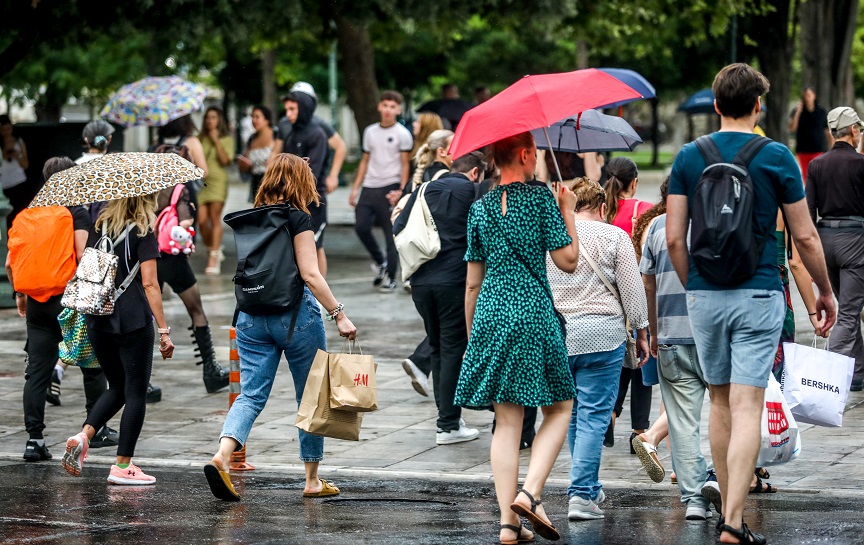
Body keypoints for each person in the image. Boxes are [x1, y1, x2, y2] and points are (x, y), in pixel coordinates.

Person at [667, 63, 835, 544]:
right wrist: (824, 291)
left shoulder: (687, 158)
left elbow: (676, 238)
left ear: (716, 106)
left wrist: (694, 284)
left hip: (704, 293)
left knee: (719, 402)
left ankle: (728, 510)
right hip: (759, 291)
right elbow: (803, 234)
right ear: (758, 106)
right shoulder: (777, 157)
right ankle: (734, 521)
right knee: (748, 404)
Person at [203, 154, 357, 502]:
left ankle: (223, 455)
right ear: (302, 182)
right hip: (296, 317)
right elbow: (310, 274)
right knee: (311, 396)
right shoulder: (297, 218)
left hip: (251, 316)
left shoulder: (248, 219)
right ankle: (312, 479)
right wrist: (339, 314)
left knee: (251, 394)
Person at [456, 132, 580, 544]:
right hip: (531, 312)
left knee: (506, 422)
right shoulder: (542, 198)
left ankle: (509, 525)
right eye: (536, 154)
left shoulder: (480, 208)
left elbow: (472, 283)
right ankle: (530, 493)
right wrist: (569, 212)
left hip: (491, 312)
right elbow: (569, 261)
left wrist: (475, 336)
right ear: (525, 155)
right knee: (559, 407)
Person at [546, 177, 649, 520]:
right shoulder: (615, 236)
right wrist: (643, 331)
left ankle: (587, 487)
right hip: (602, 337)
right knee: (593, 416)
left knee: (573, 415)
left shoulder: (552, 238)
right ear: (603, 207)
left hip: (559, 335)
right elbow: (634, 293)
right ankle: (580, 494)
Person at [5, 157, 116, 461]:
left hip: (37, 302)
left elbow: (10, 262)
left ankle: (34, 439)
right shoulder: (75, 211)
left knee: (37, 371)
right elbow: (81, 256)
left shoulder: (29, 212)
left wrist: (20, 294)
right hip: (68, 300)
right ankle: (98, 427)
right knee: (91, 364)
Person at [61, 192, 176, 485]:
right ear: (146, 200)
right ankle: (123, 466)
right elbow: (150, 283)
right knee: (136, 392)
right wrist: (163, 330)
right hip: (132, 321)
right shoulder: (143, 232)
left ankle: (83, 435)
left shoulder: (100, 226)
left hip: (97, 319)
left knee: (118, 386)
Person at [393, 151, 486, 445]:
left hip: (421, 281)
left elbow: (398, 226)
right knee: (451, 348)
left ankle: (448, 419)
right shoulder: (472, 192)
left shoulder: (423, 189)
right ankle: (448, 424)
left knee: (436, 348)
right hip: (455, 281)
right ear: (474, 173)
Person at [639, 187, 717, 521]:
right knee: (728, 411)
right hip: (713, 335)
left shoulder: (656, 227)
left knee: (683, 423)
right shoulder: (717, 222)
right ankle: (718, 477)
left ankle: (694, 500)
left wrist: (654, 331)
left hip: (670, 335)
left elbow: (647, 284)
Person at [153, 160, 230, 394]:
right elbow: (185, 224)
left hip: (148, 259)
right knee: (196, 309)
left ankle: (140, 379)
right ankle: (210, 371)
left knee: (146, 317)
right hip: (174, 260)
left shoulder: (147, 191)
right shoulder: (180, 189)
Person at [806, 106, 864, 391]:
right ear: (853, 130)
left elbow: (809, 211)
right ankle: (830, 383)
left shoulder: (816, 165)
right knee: (850, 313)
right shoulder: (860, 164)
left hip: (825, 241)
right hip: (855, 241)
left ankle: (858, 373)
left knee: (849, 307)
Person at [602, 156, 654, 451]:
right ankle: (639, 431)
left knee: (620, 363)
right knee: (642, 364)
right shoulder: (643, 212)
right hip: (638, 295)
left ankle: (610, 413)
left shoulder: (599, 213)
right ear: (634, 182)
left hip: (609, 300)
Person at [349, 90, 414, 292]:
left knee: (390, 235)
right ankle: (381, 262)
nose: (388, 110)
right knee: (361, 226)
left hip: (390, 186)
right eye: (385, 105)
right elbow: (365, 160)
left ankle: (391, 278)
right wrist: (355, 188)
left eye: (392, 106)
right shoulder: (370, 132)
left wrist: (402, 191)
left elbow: (405, 165)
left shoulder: (403, 134)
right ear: (379, 106)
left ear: (398, 110)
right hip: (369, 186)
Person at [279, 92, 331, 275]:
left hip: (313, 200)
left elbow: (312, 174)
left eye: (293, 109)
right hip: (294, 200)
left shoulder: (317, 134)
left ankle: (320, 296)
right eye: (287, 109)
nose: (288, 114)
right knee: (296, 247)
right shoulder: (292, 134)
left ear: (304, 108)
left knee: (316, 246)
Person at [271, 81, 348, 197]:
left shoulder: (320, 127)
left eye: (293, 108)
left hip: (314, 190)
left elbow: (341, 147)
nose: (288, 114)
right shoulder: (284, 124)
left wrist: (333, 176)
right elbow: (275, 152)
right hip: (287, 189)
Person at [197, 106, 234, 275]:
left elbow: (226, 160)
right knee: (202, 221)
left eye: (214, 117)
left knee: (214, 218)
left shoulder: (226, 138)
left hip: (218, 181)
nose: (210, 121)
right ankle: (215, 247)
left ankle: (213, 256)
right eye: (208, 117)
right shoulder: (199, 139)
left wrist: (216, 140)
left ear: (219, 120)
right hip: (202, 183)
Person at [788, 86, 830, 182]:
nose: (807, 97)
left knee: (817, 173)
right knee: (806, 176)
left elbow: (827, 130)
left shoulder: (821, 112)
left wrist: (831, 146)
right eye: (805, 95)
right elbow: (792, 128)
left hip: (817, 148)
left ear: (814, 96)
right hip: (803, 149)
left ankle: (817, 194)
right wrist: (798, 112)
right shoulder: (798, 111)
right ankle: (809, 195)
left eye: (809, 95)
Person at [237, 105, 275, 203]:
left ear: (266, 120)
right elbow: (245, 160)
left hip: (273, 182)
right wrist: (243, 163)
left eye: (257, 117)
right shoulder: (252, 138)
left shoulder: (276, 135)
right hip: (256, 182)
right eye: (252, 117)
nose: (253, 120)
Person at [1, 114, 30, 231]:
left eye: (8, 129)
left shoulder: (19, 141)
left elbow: (25, 164)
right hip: (4, 184)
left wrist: (17, 155)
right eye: (3, 129)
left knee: (20, 213)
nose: (6, 132)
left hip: (19, 181)